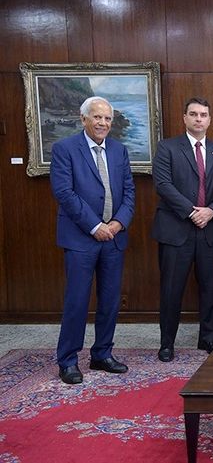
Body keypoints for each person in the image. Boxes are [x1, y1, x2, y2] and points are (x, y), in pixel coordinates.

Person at [50, 96, 135, 384]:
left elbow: (129, 191)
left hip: (114, 237)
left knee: (110, 300)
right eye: (97, 117)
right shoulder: (65, 149)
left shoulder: (119, 150)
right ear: (83, 118)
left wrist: (118, 222)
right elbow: (64, 193)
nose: (103, 123)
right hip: (80, 238)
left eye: (107, 118)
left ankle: (102, 354)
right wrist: (95, 226)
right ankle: (68, 360)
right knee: (77, 301)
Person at [152, 97, 213, 362]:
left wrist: (212, 210)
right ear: (184, 118)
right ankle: (167, 343)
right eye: (194, 114)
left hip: (209, 229)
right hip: (176, 230)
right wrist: (191, 211)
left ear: (210, 119)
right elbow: (163, 184)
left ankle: (208, 339)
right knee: (171, 289)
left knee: (209, 288)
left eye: (204, 115)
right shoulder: (167, 147)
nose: (199, 119)